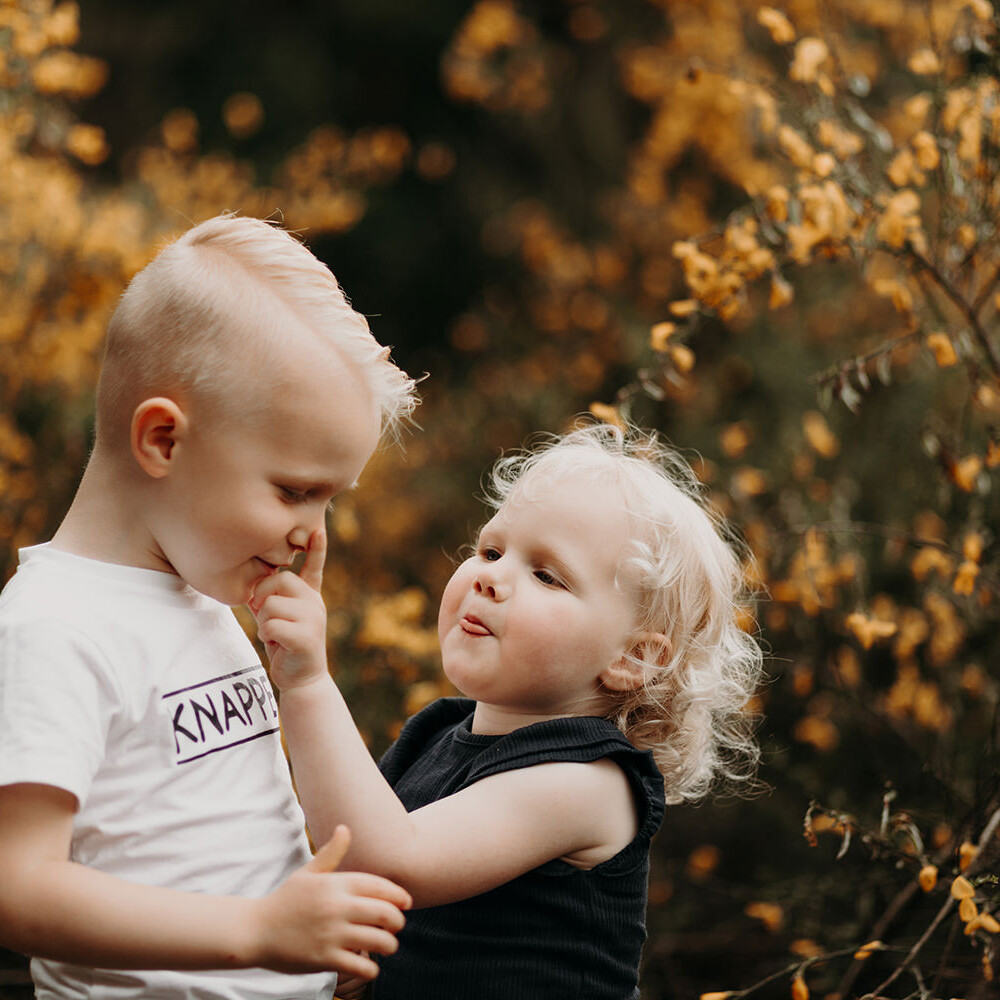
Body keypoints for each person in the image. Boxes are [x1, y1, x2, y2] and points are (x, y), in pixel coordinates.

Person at [0, 214, 419, 1000]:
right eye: (296, 491)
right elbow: (17, 889)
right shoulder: (54, 627)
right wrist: (257, 932)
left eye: (329, 500)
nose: (311, 533)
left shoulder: (195, 594)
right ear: (162, 440)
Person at [257, 421, 764, 1000]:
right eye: (492, 550)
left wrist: (306, 684)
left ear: (631, 657)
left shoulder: (588, 786)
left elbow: (392, 859)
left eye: (546, 575)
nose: (492, 577)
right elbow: (359, 865)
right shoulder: (435, 734)